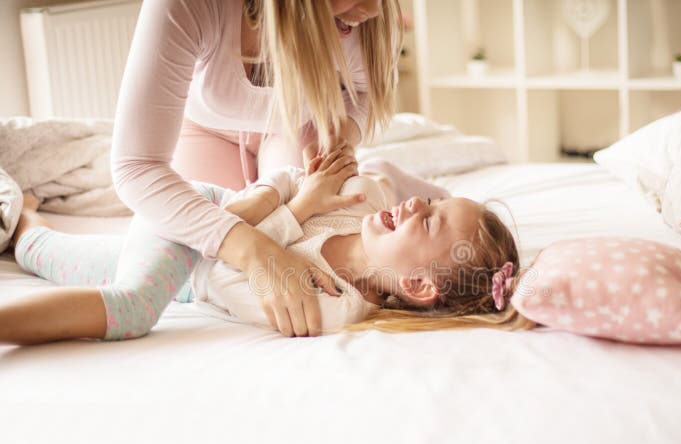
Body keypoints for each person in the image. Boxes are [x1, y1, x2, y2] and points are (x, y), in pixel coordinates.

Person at [0, 156, 524, 345]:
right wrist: (290, 197)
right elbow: (292, 176)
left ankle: (25, 218)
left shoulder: (331, 306)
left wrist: (295, 210)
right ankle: (26, 222)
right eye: (431, 201)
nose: (413, 203)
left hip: (191, 262)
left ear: (418, 285)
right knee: (131, 305)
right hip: (199, 207)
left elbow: (220, 276)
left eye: (428, 220)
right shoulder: (365, 198)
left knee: (50, 255)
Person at [112, 0, 404, 336]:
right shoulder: (189, 7)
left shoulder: (360, 19)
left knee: (313, 220)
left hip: (294, 129)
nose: (374, 9)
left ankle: (382, 179)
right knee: (194, 251)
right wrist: (256, 252)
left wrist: (340, 143)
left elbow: (364, 91)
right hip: (205, 127)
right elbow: (136, 166)